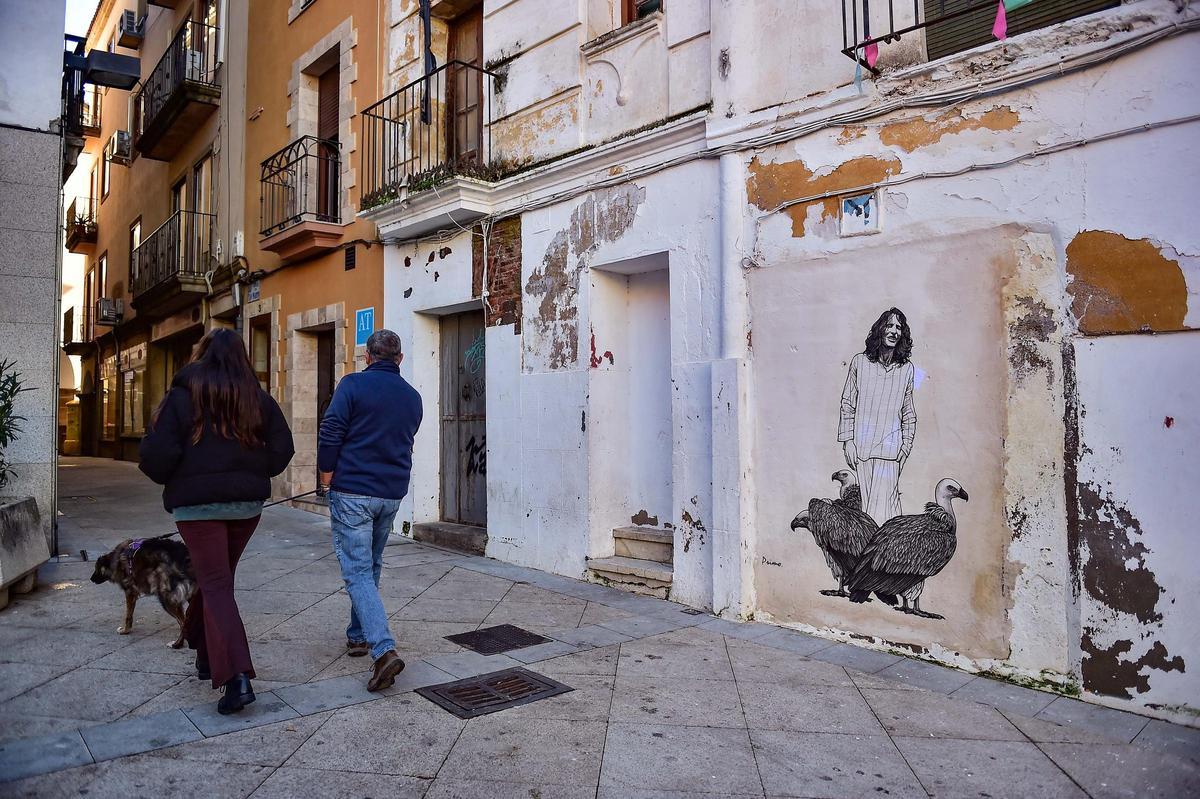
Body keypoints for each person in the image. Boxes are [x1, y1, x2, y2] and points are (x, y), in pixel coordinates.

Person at [139, 328, 294, 714]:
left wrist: (179, 474)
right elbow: (283, 449)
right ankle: (205, 651)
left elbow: (156, 456)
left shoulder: (180, 398)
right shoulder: (256, 398)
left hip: (197, 509)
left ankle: (237, 676)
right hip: (245, 508)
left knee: (215, 583)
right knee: (217, 581)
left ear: (201, 354)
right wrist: (255, 471)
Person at [318, 329, 423, 692]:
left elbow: (331, 430)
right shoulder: (413, 397)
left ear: (367, 357)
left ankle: (383, 649)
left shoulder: (351, 385)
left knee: (358, 571)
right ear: (399, 359)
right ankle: (358, 636)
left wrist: (326, 473)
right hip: (390, 494)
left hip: (352, 492)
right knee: (371, 565)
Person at [838, 308, 917, 525]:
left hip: (891, 453)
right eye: (889, 326)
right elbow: (847, 404)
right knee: (866, 515)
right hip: (862, 451)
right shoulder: (860, 363)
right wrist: (848, 441)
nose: (894, 332)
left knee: (890, 516)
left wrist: (905, 447)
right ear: (880, 330)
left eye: (899, 328)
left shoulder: (907, 369)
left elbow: (908, 413)